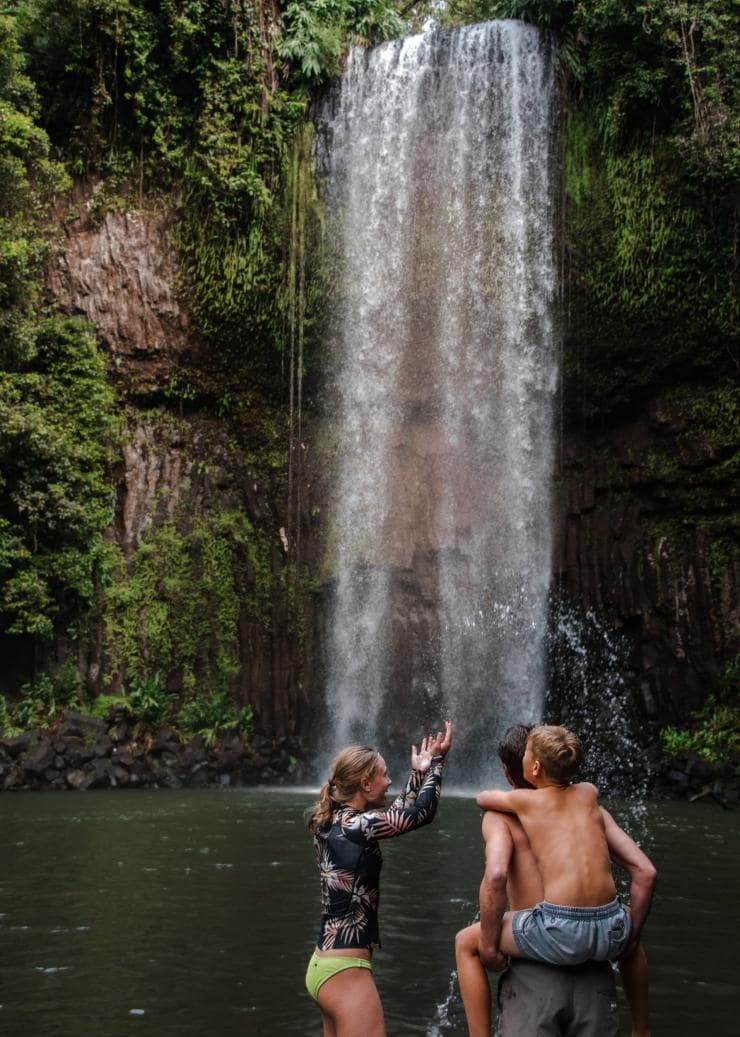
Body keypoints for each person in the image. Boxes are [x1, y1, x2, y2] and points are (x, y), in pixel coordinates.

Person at [456, 724, 655, 1037]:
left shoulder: (503, 814)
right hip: (599, 960)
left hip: (543, 951)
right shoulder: (590, 805)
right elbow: (645, 871)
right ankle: (643, 1028)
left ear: (511, 773)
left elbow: (495, 876)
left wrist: (490, 946)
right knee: (629, 925)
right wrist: (629, 938)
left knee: (465, 943)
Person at [305, 721, 453, 1037]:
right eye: (384, 775)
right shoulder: (359, 827)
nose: (389, 781)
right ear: (365, 784)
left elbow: (394, 815)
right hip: (347, 972)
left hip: (323, 966)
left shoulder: (332, 821)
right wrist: (438, 764)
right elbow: (422, 813)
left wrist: (418, 773)